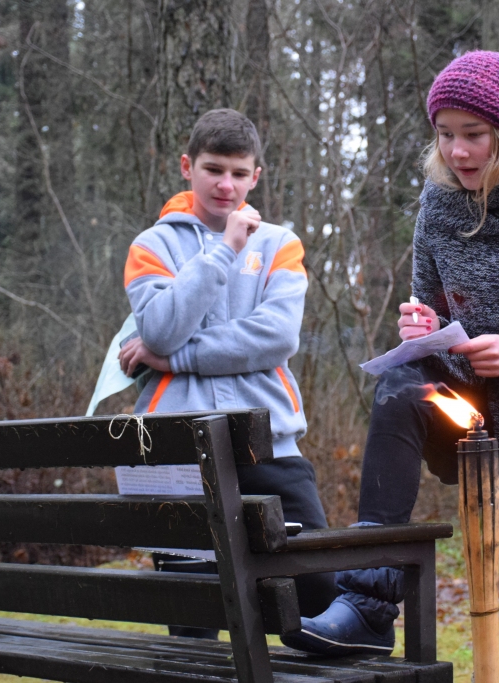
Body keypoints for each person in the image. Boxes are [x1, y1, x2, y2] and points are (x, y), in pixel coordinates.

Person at [283, 51, 499, 683]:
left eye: (474, 135)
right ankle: (367, 604)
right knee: (398, 384)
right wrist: (425, 336)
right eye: (445, 134)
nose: (459, 151)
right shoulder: (437, 206)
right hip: (470, 422)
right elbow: (438, 324)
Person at [119, 108, 335, 637]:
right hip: (178, 451)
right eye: (214, 169)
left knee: (322, 600)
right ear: (186, 166)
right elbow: (164, 327)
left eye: (240, 173)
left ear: (256, 175)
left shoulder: (281, 244)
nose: (226, 184)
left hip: (270, 443)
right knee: (195, 624)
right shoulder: (151, 246)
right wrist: (224, 251)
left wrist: (176, 359)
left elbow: (277, 337)